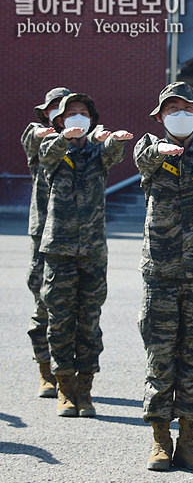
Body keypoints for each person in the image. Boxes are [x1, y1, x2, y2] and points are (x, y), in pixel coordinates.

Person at [133, 81, 193, 472]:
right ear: (160, 117)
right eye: (172, 109)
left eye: (187, 108)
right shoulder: (148, 148)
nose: (180, 114)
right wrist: (161, 150)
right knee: (160, 357)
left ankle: (188, 439)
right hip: (161, 273)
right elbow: (144, 157)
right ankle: (159, 439)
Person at [38, 93, 132, 417]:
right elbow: (47, 156)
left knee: (89, 322)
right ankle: (64, 386)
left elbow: (113, 154)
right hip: (59, 249)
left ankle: (85, 388)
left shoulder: (97, 151)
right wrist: (65, 137)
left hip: (92, 250)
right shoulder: (52, 146)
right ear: (60, 120)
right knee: (60, 321)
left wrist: (114, 140)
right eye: (72, 113)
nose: (79, 117)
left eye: (84, 112)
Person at [21, 87, 69, 398]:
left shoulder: (80, 142)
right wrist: (50, 131)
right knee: (43, 305)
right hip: (43, 234)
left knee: (73, 309)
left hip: (75, 235)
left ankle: (71, 373)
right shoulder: (38, 135)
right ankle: (45, 370)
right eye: (54, 109)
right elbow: (33, 136)